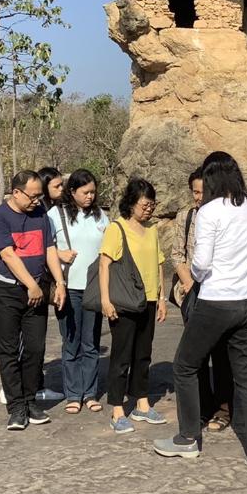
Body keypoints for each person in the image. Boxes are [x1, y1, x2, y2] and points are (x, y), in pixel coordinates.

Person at [153, 151, 247, 474]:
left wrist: (205, 277)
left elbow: (201, 263)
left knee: (185, 365)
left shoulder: (209, 212)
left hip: (217, 300)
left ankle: (188, 437)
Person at [0, 169, 66, 430]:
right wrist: (31, 284)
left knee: (35, 348)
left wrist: (59, 282)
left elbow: (50, 248)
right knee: (8, 351)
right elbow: (8, 255)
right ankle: (16, 406)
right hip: (7, 292)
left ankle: (31, 401)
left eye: (39, 196)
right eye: (31, 196)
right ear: (16, 192)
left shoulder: (40, 214)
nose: (36, 201)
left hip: (39, 291)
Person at [98, 177, 168, 434]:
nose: (148, 209)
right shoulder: (117, 229)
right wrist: (106, 300)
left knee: (143, 354)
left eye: (152, 204)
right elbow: (104, 265)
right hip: (124, 303)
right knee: (121, 356)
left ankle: (142, 403)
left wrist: (161, 298)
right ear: (131, 203)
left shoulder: (152, 230)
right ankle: (117, 409)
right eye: (144, 204)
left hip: (148, 300)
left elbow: (160, 263)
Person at [173, 168, 233, 431]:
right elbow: (177, 254)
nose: (197, 197)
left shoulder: (223, 215)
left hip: (218, 291)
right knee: (194, 354)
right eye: (194, 192)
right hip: (192, 293)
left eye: (201, 191)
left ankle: (224, 408)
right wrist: (188, 283)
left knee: (221, 353)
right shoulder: (185, 216)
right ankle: (202, 405)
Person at [48, 169, 109, 415]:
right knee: (71, 342)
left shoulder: (100, 216)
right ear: (72, 191)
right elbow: (47, 248)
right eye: (85, 192)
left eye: (93, 192)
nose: (90, 197)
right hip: (68, 288)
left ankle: (90, 392)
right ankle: (73, 394)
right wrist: (60, 254)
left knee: (91, 342)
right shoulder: (55, 215)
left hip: (94, 288)